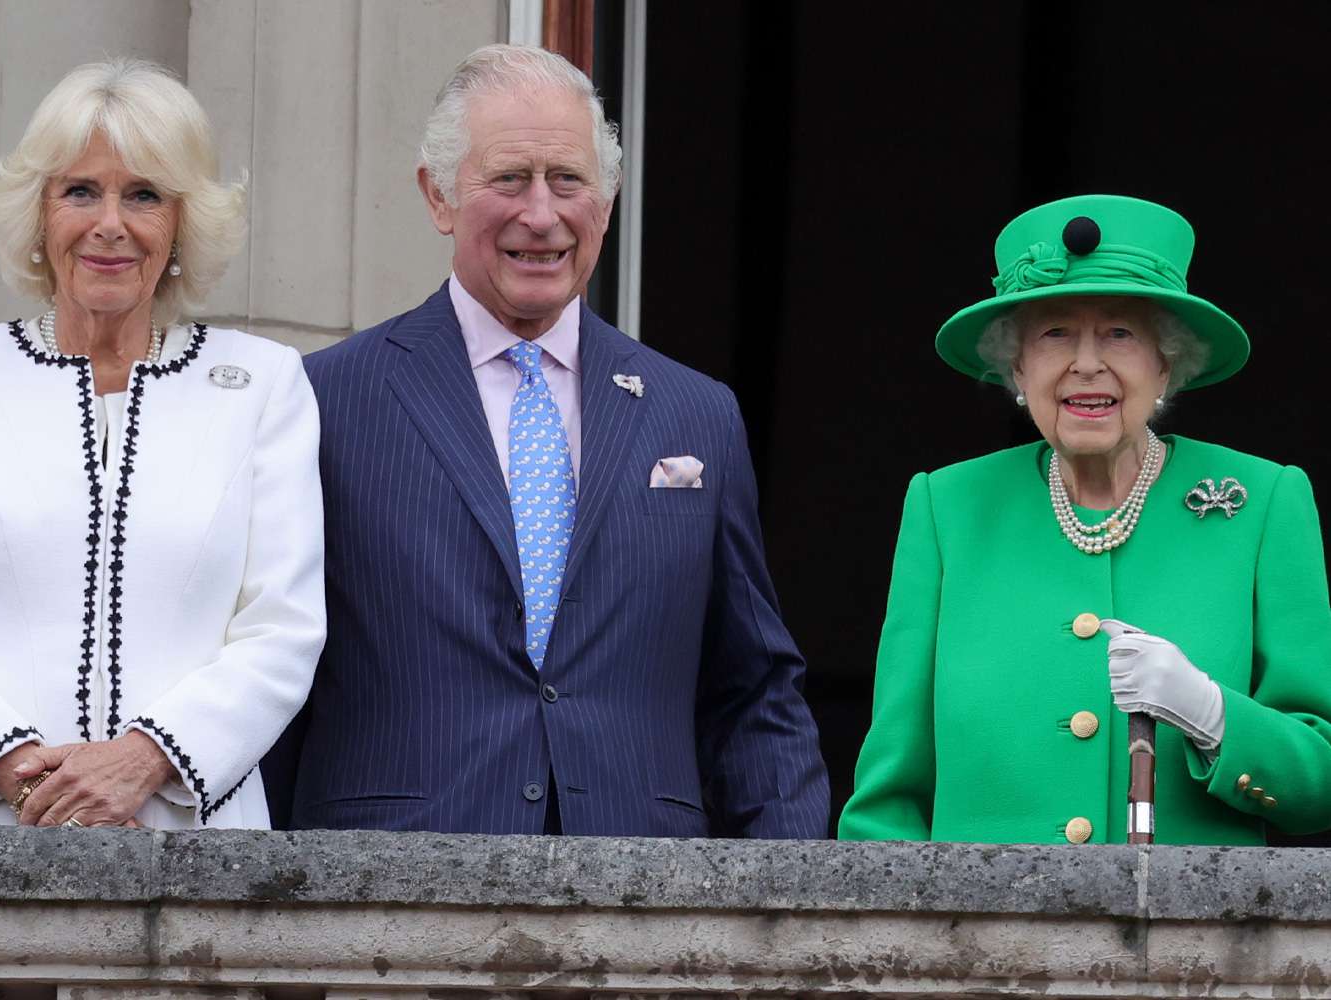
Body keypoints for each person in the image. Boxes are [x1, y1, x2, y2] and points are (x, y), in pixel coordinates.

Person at [265, 44, 829, 837]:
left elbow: (752, 690)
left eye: (568, 180)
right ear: (438, 196)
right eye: (508, 179)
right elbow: (271, 664)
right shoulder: (323, 398)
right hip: (388, 893)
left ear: (606, 199)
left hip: (640, 891)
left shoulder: (696, 413)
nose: (542, 213)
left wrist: (790, 901)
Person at [0, 59, 325, 829]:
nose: (111, 223)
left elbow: (283, 629)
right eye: (80, 191)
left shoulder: (265, 385)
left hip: (185, 835)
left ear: (181, 223)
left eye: (143, 194)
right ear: (39, 217)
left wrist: (140, 762)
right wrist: (30, 783)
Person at [838, 193, 1331, 845]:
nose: (1087, 362)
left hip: (1191, 938)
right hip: (977, 940)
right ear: (1017, 367)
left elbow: (1320, 785)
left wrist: (1212, 716)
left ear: (1167, 364)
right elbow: (887, 804)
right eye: (1055, 332)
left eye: (1121, 332)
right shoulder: (946, 508)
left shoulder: (1263, 501)